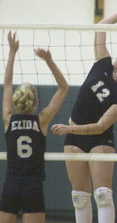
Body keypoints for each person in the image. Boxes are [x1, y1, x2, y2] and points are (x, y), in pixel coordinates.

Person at [51, 0, 117, 223]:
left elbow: (101, 126)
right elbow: (101, 27)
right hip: (74, 138)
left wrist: (71, 127)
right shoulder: (103, 63)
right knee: (80, 197)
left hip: (99, 138)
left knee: (102, 195)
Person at [0, 31, 69, 223]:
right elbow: (64, 88)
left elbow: (6, 85)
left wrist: (12, 51)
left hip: (11, 184)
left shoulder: (8, 118)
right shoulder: (42, 120)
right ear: (36, 101)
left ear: (15, 101)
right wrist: (49, 60)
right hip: (33, 185)